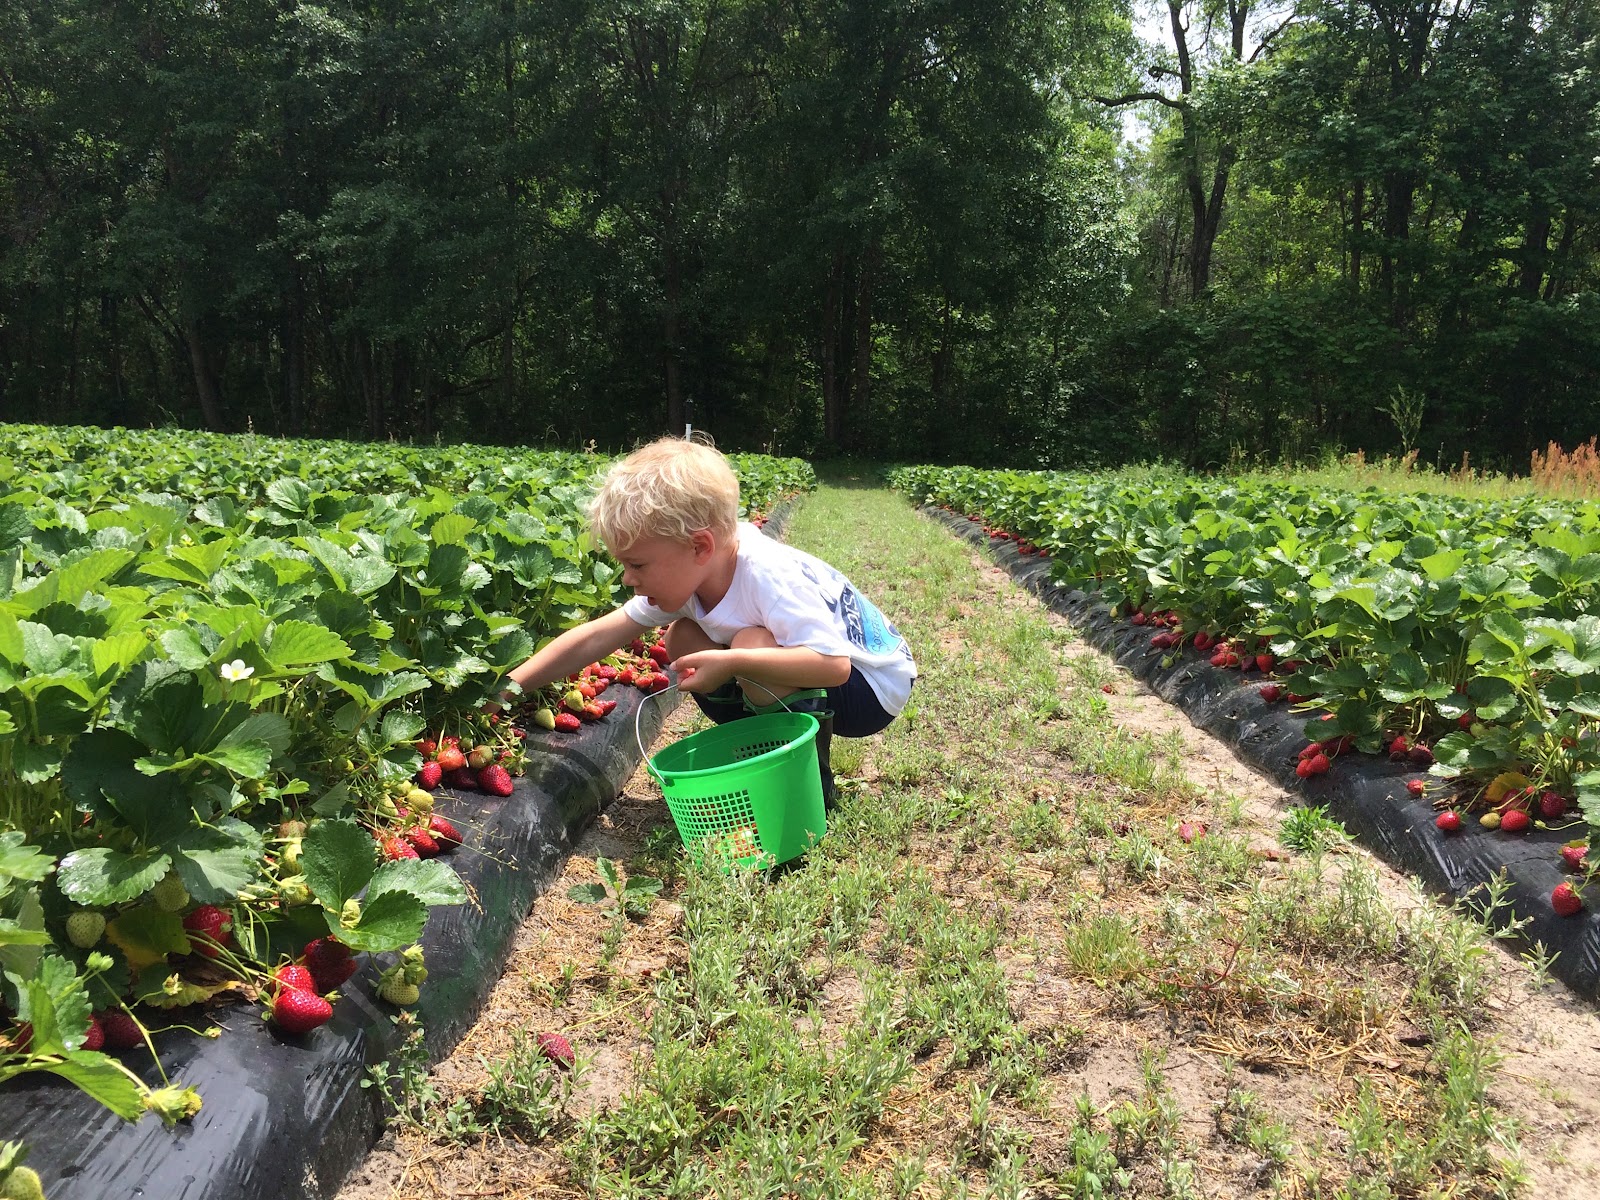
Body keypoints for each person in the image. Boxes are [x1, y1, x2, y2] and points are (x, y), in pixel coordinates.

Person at [499, 437, 916, 804]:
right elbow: (596, 637)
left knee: (750, 644)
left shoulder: (766, 575)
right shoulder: (692, 575)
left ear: (699, 546)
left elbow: (834, 666)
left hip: (872, 685)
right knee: (682, 637)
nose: (627, 578)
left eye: (637, 564)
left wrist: (733, 663)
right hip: (829, 671)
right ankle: (757, 754)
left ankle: (807, 786)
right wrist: (507, 689)